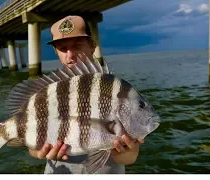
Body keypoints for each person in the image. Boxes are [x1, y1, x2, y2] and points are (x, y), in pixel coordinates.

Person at [28, 15, 144, 174]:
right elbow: (32, 147)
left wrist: (126, 150)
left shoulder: (117, 90)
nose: (70, 55)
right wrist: (39, 151)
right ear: (56, 52)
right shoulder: (47, 91)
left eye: (77, 45)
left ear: (92, 46)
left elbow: (129, 159)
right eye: (62, 48)